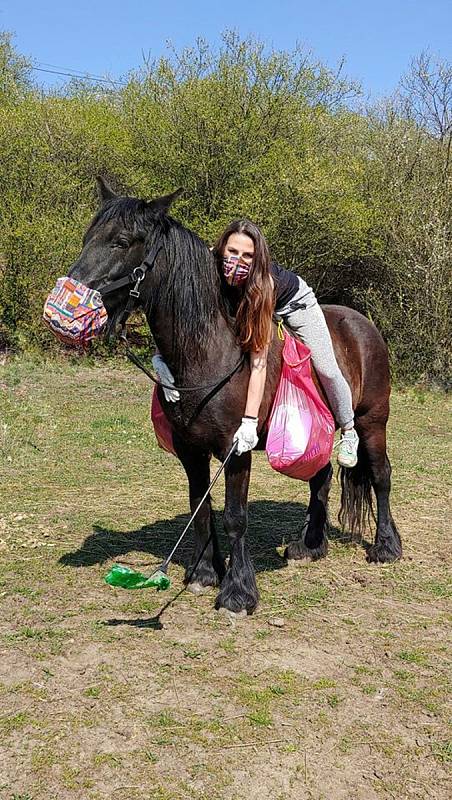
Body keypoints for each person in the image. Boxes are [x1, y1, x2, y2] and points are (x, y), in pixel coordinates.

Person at [152, 219, 359, 468]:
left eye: (248, 255)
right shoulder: (206, 266)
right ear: (220, 249)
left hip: (293, 303)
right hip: (240, 301)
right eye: (232, 252)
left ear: (257, 258)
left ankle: (349, 430)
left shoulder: (262, 285)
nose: (237, 261)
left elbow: (259, 361)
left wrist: (249, 422)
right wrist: (159, 358)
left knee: (326, 366)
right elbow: (184, 317)